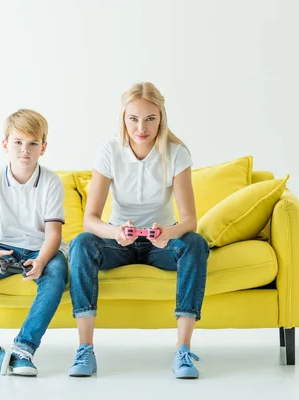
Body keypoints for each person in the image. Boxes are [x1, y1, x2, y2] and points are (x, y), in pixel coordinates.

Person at [67, 82, 210, 379]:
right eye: (133, 119)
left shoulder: (177, 153)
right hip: (119, 242)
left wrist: (167, 234)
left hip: (161, 244)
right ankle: (84, 349)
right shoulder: (109, 151)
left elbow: (189, 221)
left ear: (161, 118)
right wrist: (115, 231)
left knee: (195, 243)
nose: (141, 128)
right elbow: (90, 220)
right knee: (81, 243)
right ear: (123, 117)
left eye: (150, 119)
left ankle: (183, 349)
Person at [0, 109, 68, 377]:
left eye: (32, 143)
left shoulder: (51, 182)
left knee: (56, 274)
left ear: (43, 147)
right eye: (17, 142)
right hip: (3, 248)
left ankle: (23, 350)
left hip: (39, 249)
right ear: (5, 144)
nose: (24, 150)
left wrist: (41, 260)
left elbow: (54, 235)